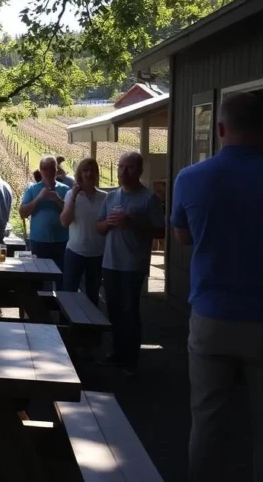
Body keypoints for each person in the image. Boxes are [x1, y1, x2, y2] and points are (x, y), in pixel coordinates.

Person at [171, 91, 263, 482]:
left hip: (211, 316)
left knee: (207, 418)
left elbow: (182, 238)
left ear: (219, 129)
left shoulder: (190, 178)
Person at [95, 152, 164, 375]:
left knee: (130, 311)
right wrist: (107, 223)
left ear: (140, 170)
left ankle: (131, 359)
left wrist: (132, 223)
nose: (124, 172)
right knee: (113, 310)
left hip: (133, 264)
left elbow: (161, 231)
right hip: (110, 262)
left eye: (130, 167)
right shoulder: (111, 197)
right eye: (121, 167)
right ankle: (117, 352)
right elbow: (99, 227)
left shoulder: (149, 198)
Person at [59, 158, 106, 304]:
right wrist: (73, 195)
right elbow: (65, 222)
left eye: (92, 170)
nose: (89, 173)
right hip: (75, 252)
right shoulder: (70, 195)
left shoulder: (105, 197)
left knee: (93, 295)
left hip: (97, 254)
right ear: (80, 174)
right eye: (85, 170)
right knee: (69, 292)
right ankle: (67, 325)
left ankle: (91, 326)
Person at [19, 156, 70, 288]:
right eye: (44, 169)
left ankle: (59, 306)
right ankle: (40, 306)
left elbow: (72, 215)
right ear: (40, 171)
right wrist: (39, 198)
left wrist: (58, 200)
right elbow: (23, 213)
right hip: (38, 242)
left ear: (56, 169)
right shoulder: (32, 189)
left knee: (61, 278)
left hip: (61, 241)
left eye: (51, 168)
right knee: (38, 278)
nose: (47, 172)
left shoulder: (64, 189)